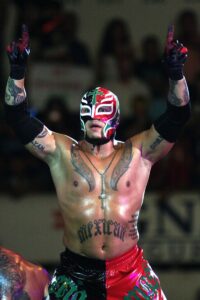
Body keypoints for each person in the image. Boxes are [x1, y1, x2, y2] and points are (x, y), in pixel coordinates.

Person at [4, 24, 190, 299]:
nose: (94, 116)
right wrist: (17, 73)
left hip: (129, 270)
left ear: (115, 118)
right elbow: (18, 118)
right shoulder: (62, 152)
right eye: (89, 110)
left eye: (102, 111)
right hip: (76, 271)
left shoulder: (138, 152)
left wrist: (176, 75)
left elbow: (177, 116)